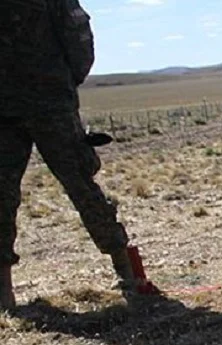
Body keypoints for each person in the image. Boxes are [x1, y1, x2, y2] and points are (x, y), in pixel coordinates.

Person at [0, 0, 135, 312]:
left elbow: (79, 38)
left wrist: (62, 81)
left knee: (80, 183)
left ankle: (125, 269)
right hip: (6, 111)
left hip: (50, 103)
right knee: (2, 196)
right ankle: (4, 292)